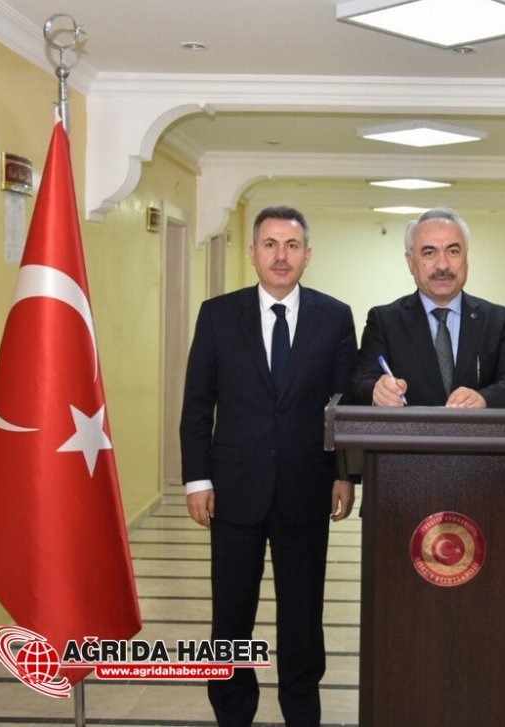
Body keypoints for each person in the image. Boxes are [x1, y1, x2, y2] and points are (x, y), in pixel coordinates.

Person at [179, 205, 357, 727]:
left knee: (302, 616)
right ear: (253, 253)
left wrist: (344, 473)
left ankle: (301, 712)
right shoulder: (218, 315)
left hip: (308, 488)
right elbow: (198, 404)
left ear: (308, 254)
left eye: (292, 245)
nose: (282, 256)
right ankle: (233, 712)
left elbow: (343, 407)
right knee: (231, 614)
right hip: (234, 490)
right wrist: (197, 478)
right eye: (271, 244)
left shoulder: (334, 316)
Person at [349, 206, 505, 408]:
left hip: (475, 429)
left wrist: (484, 399)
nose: (443, 265)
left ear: (466, 258)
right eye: (429, 253)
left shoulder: (498, 321)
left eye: (453, 251)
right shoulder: (384, 321)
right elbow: (359, 382)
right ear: (411, 262)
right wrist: (377, 391)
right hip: (409, 429)